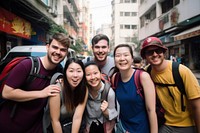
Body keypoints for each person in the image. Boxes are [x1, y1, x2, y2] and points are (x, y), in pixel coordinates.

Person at [0, 32, 70, 133]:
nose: (58, 52)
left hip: (36, 127)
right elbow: (6, 93)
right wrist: (41, 93)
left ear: (66, 53)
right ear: (47, 47)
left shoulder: (59, 71)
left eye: (63, 50)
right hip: (10, 126)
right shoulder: (27, 65)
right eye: (55, 47)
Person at [140, 36, 200, 133]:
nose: (155, 54)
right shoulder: (146, 73)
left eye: (158, 50)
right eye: (150, 52)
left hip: (187, 125)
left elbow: (197, 105)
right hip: (164, 124)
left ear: (163, 52)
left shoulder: (181, 71)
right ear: (145, 56)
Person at [112, 44, 158, 133]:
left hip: (141, 129)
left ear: (132, 58)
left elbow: (151, 110)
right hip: (122, 129)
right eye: (118, 56)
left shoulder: (143, 77)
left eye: (126, 55)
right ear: (114, 60)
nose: (122, 58)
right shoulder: (115, 78)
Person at [49, 58, 88, 133]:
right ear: (65, 72)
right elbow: (55, 121)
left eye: (79, 71)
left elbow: (77, 117)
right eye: (71, 71)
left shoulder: (84, 89)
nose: (75, 75)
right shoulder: (57, 90)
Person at [84, 61, 118, 133]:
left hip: (104, 127)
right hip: (88, 126)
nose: (93, 77)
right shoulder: (83, 90)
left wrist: (106, 112)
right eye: (88, 74)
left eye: (95, 73)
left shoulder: (108, 92)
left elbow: (114, 114)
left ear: (100, 74)